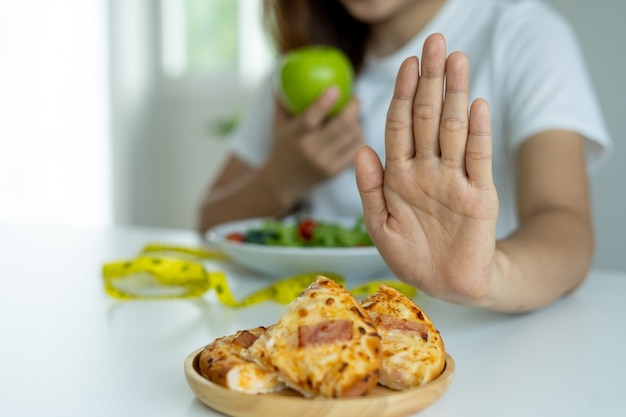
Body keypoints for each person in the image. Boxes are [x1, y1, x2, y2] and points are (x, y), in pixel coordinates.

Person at [197, 0, 612, 312]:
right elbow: (209, 223)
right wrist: (280, 179)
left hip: (479, 337)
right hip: (317, 328)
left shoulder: (524, 34)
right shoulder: (300, 62)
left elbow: (567, 227)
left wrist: (490, 276)